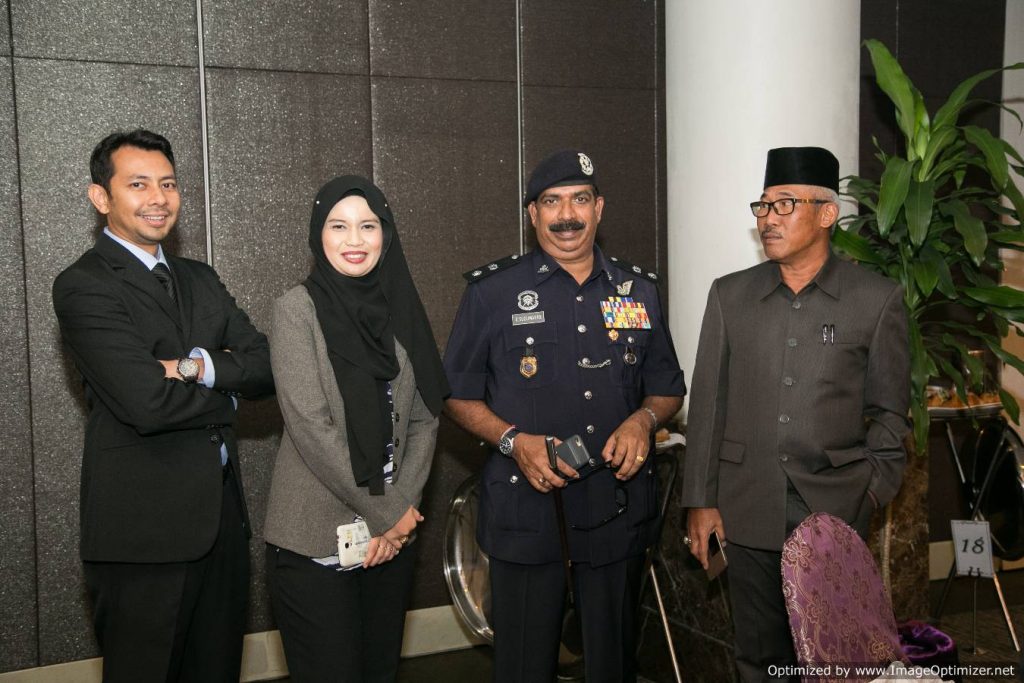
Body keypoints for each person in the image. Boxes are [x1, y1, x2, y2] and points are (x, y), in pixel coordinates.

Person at [444, 150, 686, 683]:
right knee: (524, 667)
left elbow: (668, 388)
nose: (567, 215)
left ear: (599, 208)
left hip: (615, 507)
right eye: (551, 202)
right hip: (528, 508)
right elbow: (456, 394)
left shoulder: (638, 290)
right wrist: (513, 441)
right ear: (533, 214)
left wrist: (644, 420)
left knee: (612, 665)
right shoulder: (493, 293)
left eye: (579, 199)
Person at [52, 129, 274, 682]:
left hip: (222, 528)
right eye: (139, 184)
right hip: (143, 537)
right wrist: (227, 390)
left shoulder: (201, 278)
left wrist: (192, 366)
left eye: (168, 184)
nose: (158, 198)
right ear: (101, 197)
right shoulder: (84, 285)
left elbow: (268, 366)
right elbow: (147, 401)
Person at [681, 146, 911, 682]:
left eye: (785, 204)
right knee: (759, 656)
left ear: (827, 214)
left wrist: (871, 490)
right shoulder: (730, 295)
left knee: (837, 658)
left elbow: (890, 412)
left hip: (834, 506)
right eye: (763, 206)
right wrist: (700, 500)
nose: (769, 218)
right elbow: (708, 404)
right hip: (745, 505)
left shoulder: (875, 300)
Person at [263, 176, 449, 682]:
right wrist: (389, 514)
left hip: (390, 543)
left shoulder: (401, 308)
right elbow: (311, 428)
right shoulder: (296, 310)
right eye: (338, 226)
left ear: (385, 233)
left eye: (368, 226)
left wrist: (398, 515)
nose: (354, 239)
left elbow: (425, 417)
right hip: (314, 541)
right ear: (317, 235)